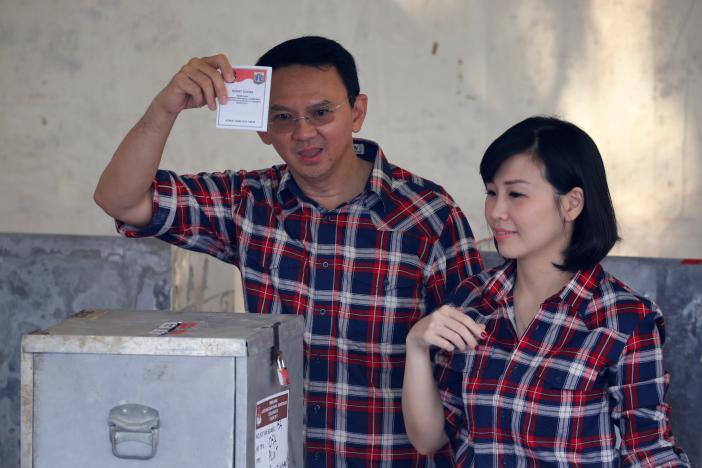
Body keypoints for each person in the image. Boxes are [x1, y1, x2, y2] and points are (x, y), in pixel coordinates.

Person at [94, 36, 483, 466]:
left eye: (321, 112)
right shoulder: (248, 201)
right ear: (263, 127)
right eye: (283, 117)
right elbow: (122, 200)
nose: (303, 133)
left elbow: (469, 368)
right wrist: (166, 107)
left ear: (357, 112)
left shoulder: (426, 215)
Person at [402, 116, 690, 467]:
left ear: (571, 204)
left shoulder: (624, 320)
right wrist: (416, 345)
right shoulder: (473, 299)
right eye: (492, 193)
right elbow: (429, 438)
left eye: (516, 194)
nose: (496, 212)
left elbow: (650, 452)